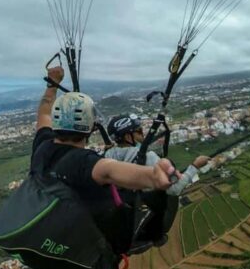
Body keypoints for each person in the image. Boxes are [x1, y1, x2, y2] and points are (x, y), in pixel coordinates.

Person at [32, 66, 175, 256]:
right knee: (156, 196)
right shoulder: (84, 162)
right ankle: (154, 236)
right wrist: (152, 176)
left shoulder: (42, 146)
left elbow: (43, 113)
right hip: (103, 241)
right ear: (90, 129)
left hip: (62, 227)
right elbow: (109, 170)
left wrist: (52, 84)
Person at [105, 113, 210, 250]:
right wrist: (195, 167)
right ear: (127, 136)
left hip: (121, 223)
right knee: (168, 192)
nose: (143, 134)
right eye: (139, 131)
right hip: (146, 226)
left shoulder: (106, 157)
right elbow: (175, 189)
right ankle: (157, 236)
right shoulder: (149, 158)